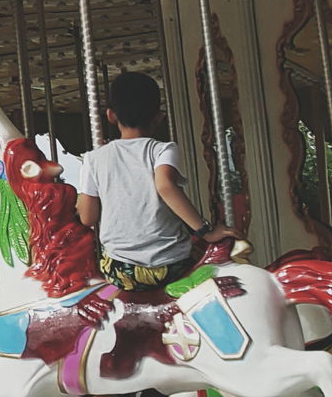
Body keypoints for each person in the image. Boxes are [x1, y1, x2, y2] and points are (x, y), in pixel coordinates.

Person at [76, 71, 237, 292]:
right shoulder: (162, 149)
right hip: (172, 265)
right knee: (204, 253)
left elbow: (87, 217)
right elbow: (165, 185)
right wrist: (206, 231)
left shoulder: (93, 159)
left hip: (121, 270)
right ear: (158, 117)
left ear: (111, 116)